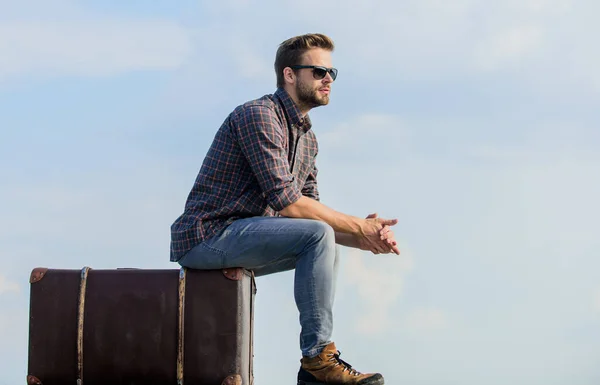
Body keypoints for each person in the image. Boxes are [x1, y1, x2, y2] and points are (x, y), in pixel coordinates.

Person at [170, 33, 400, 385]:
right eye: (319, 71)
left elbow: (313, 218)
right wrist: (358, 225)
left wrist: (365, 239)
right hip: (208, 235)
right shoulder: (258, 115)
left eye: (332, 73)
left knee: (320, 237)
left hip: (243, 238)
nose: (328, 80)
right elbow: (288, 203)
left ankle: (315, 367)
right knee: (317, 234)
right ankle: (318, 359)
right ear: (290, 75)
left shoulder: (308, 140)